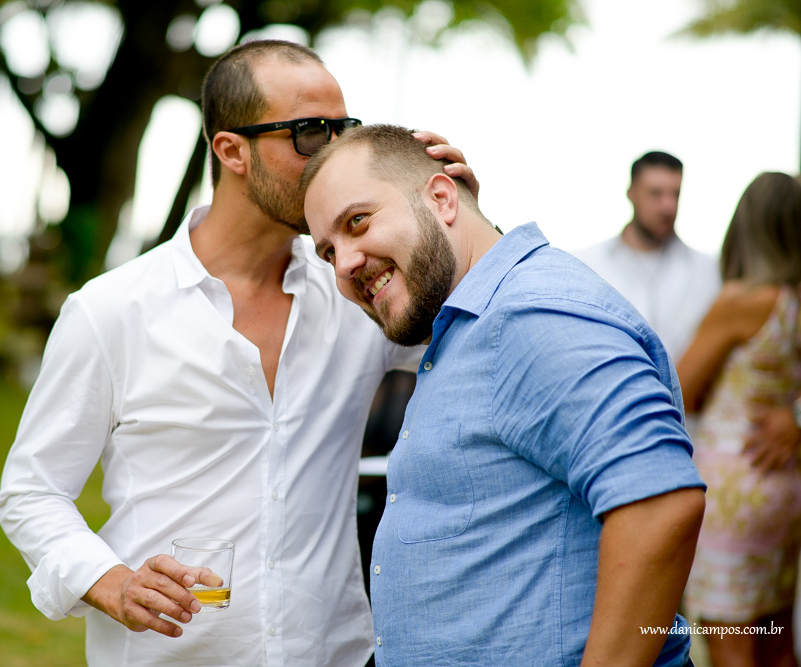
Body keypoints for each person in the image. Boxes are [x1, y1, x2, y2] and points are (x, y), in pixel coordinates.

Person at [0, 40, 475, 667]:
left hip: (336, 654)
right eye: (309, 133)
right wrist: (109, 582)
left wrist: (453, 219)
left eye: (343, 129)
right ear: (231, 151)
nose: (335, 154)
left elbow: (476, 332)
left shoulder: (360, 289)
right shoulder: (111, 311)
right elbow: (31, 490)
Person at [300, 124, 707, 667]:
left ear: (442, 198)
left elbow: (659, 504)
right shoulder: (472, 322)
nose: (345, 264)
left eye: (358, 221)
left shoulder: (530, 314)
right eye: (328, 252)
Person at [677, 172, 801, 667]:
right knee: (775, 639)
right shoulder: (795, 303)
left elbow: (680, 389)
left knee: (731, 648)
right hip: (786, 484)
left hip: (734, 488)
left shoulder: (740, 303)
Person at [574, 151, 721, 363]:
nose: (668, 206)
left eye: (675, 194)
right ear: (631, 193)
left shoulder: (709, 270)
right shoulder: (589, 266)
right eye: (655, 193)